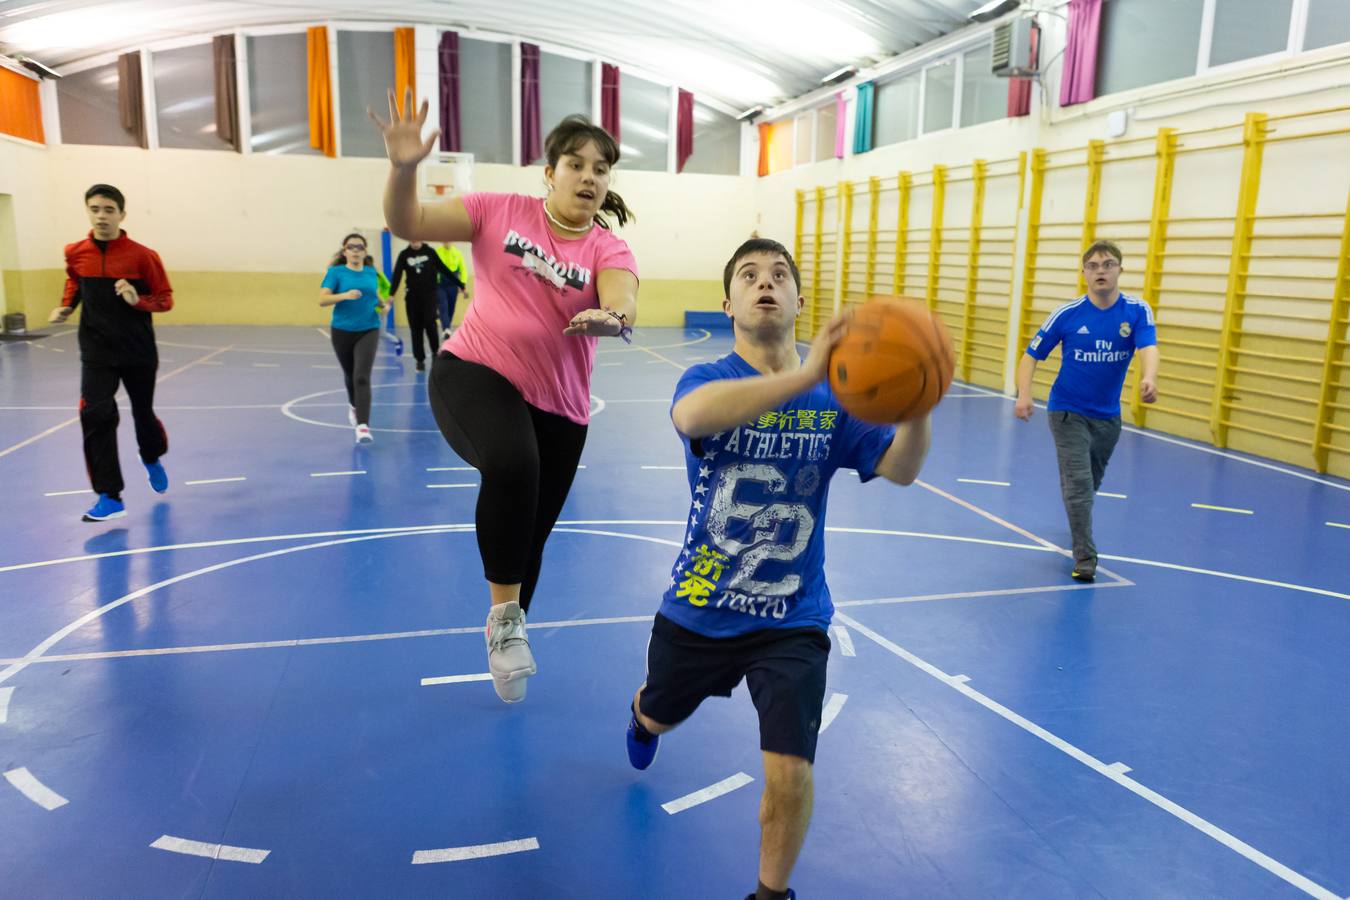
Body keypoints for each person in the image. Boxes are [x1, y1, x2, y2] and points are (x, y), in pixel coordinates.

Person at [624, 238, 932, 900]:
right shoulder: (705, 379)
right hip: (701, 606)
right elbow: (691, 419)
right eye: (749, 275)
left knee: (790, 772)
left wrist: (918, 408)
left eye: (780, 275)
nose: (766, 282)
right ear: (727, 303)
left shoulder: (837, 402)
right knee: (662, 714)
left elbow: (902, 470)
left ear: (798, 300)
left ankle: (771, 894)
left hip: (794, 615)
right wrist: (803, 375)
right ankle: (644, 714)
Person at [373, 91, 639, 703]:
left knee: (529, 536)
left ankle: (511, 628)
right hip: (473, 371)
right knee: (514, 464)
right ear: (550, 173)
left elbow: (623, 297)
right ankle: (501, 624)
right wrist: (405, 167)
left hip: (561, 408)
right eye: (577, 164)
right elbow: (406, 224)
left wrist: (612, 316)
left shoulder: (606, 247)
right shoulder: (498, 211)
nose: (589, 177)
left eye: (601, 169)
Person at [1014, 239, 1159, 582]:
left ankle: (1077, 515)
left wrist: (1149, 378)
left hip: (1108, 418)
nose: (1100, 271)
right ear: (1084, 273)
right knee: (1079, 484)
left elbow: (1148, 347)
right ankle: (1085, 555)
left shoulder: (1136, 311)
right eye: (1093, 266)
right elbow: (1031, 355)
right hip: (1067, 411)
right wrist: (1024, 394)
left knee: (1088, 483)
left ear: (1120, 270)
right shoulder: (1068, 314)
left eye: (1107, 265)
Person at [49, 184, 174, 523]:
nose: (101, 216)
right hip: (96, 350)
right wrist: (65, 306)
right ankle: (110, 494)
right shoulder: (75, 252)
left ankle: (151, 456)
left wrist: (139, 300)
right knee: (97, 414)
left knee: (142, 414)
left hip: (137, 350)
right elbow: (75, 281)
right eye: (94, 209)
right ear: (87, 211)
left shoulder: (143, 256)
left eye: (108, 209)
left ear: (121, 213)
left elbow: (165, 299)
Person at [319, 233, 388, 444]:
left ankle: (363, 426)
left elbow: (375, 296)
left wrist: (383, 306)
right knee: (350, 375)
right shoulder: (336, 272)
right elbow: (322, 299)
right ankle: (353, 405)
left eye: (360, 247)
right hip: (342, 330)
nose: (356, 250)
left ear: (365, 251)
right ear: (345, 251)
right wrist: (345, 295)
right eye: (352, 247)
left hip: (369, 328)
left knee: (361, 377)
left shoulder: (371, 272)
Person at [389, 240, 459, 370]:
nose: (414, 241)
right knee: (416, 328)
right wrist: (391, 295)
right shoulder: (404, 254)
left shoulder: (430, 252)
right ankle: (419, 359)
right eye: (411, 238)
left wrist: (460, 284)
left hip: (429, 296)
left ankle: (435, 353)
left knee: (430, 323)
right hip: (412, 298)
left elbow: (443, 268)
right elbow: (397, 275)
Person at [434, 241, 471, 338]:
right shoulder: (437, 252)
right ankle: (446, 329)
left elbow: (463, 269)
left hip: (453, 284)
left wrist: (463, 285)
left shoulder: (457, 253)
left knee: (451, 307)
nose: (447, 242)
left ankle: (447, 327)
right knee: (443, 306)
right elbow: (432, 268)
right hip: (440, 284)